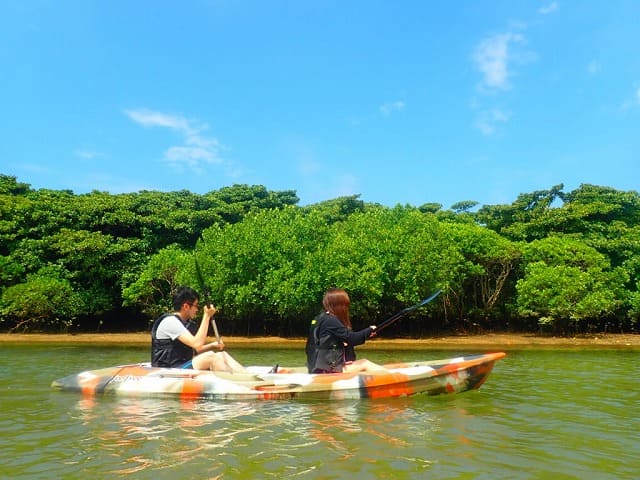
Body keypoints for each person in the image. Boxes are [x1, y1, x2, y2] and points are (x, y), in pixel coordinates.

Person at [151, 286, 245, 373]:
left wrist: (212, 345)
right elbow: (197, 343)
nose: (197, 310)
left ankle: (246, 376)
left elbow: (196, 348)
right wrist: (207, 315)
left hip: (180, 366)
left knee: (221, 354)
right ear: (186, 306)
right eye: (196, 306)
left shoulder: (184, 323)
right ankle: (237, 380)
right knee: (211, 356)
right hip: (168, 370)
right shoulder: (170, 322)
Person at [305, 288, 386, 374]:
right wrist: (369, 330)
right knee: (364, 363)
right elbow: (352, 338)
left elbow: (324, 344)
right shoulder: (331, 321)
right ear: (339, 305)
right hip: (325, 371)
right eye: (345, 305)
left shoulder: (319, 318)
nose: (347, 308)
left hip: (316, 368)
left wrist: (339, 362)